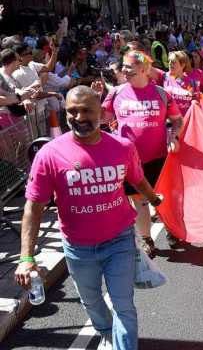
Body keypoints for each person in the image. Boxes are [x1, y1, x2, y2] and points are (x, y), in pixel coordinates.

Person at [15, 85, 163, 350]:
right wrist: (27, 258)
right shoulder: (49, 154)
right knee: (92, 302)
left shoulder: (123, 146)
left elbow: (137, 180)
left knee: (124, 305)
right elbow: (33, 207)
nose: (79, 117)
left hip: (119, 242)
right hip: (79, 248)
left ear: (101, 112)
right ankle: (106, 331)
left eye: (87, 110)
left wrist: (154, 200)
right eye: (72, 111)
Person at [99, 50, 183, 256]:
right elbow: (101, 119)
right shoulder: (116, 93)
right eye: (124, 66)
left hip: (157, 157)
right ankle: (146, 239)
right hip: (129, 160)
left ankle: (172, 229)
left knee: (163, 198)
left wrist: (174, 137)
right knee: (139, 201)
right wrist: (96, 98)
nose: (124, 70)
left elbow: (178, 120)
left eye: (129, 67)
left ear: (144, 69)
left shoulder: (162, 94)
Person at [164, 51, 200, 116]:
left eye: (173, 62)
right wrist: (138, 55)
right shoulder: (164, 77)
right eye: (169, 61)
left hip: (187, 122)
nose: (170, 64)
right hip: (170, 123)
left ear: (182, 65)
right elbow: (147, 64)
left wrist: (194, 102)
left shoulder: (193, 83)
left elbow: (197, 106)